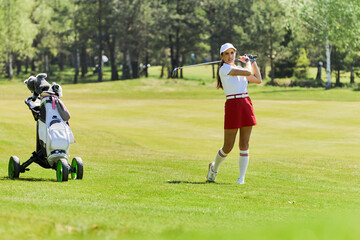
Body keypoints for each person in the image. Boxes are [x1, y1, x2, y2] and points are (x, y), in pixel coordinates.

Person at [207, 43, 262, 184]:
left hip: (245, 104)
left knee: (244, 144)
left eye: (232, 53)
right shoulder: (224, 69)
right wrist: (248, 62)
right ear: (222, 57)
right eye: (227, 54)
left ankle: (241, 178)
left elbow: (258, 79)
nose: (230, 56)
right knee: (228, 146)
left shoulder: (237, 68)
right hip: (232, 105)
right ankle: (214, 169)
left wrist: (253, 62)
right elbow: (248, 72)